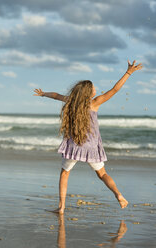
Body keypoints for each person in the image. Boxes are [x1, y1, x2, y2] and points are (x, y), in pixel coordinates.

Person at [33, 60, 142, 214]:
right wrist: (128, 73)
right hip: (91, 147)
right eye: (93, 88)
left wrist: (43, 94)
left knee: (65, 173)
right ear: (89, 93)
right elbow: (115, 89)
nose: (96, 90)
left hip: (75, 145)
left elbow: (56, 95)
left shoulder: (72, 101)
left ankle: (62, 207)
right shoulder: (95, 103)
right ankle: (118, 195)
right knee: (102, 174)